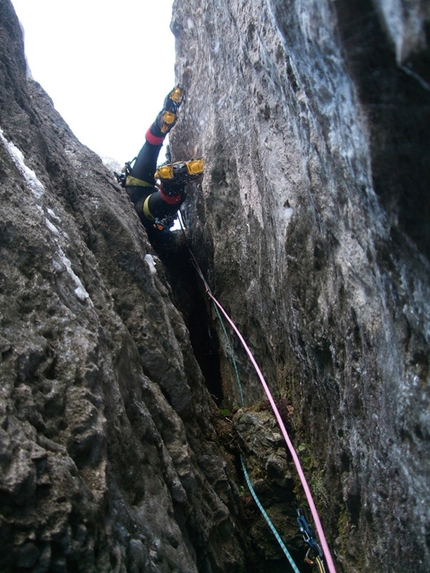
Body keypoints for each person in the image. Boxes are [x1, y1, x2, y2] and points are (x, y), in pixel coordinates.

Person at [121, 86, 204, 236]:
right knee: (152, 146)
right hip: (133, 183)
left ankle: (172, 184)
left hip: (144, 214)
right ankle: (160, 124)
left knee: (169, 200)